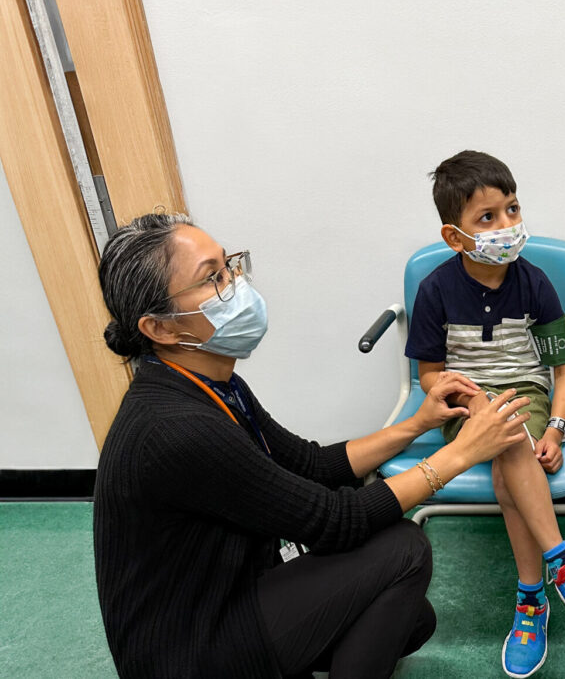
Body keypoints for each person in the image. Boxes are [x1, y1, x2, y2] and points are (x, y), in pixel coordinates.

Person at [93, 213, 532, 679]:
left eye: (229, 267)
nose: (235, 286)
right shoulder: (175, 427)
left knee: (412, 622)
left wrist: (418, 424)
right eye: (212, 279)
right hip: (188, 652)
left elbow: (311, 463)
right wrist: (461, 454)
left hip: (226, 594)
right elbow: (333, 521)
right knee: (404, 549)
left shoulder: (211, 383)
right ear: (160, 329)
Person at [404, 151, 565, 678]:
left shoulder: (535, 284)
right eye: (488, 218)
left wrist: (557, 427)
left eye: (513, 209)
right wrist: (464, 395)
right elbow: (429, 375)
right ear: (456, 237)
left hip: (526, 392)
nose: (508, 226)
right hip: (466, 401)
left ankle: (532, 599)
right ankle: (563, 566)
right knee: (499, 426)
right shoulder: (435, 290)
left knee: (510, 440)